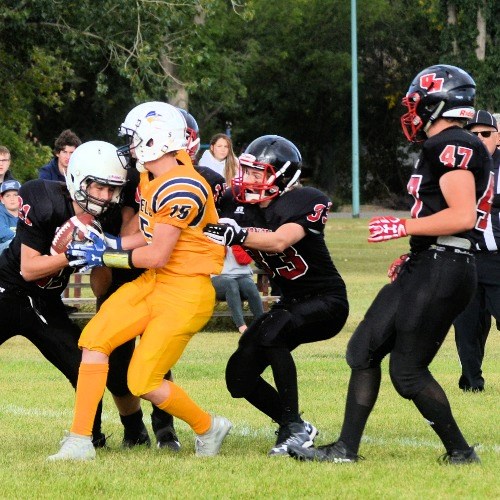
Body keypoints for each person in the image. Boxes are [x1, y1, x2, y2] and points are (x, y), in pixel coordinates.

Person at [288, 64, 492, 465]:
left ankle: (461, 452)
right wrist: (417, 246)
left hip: (445, 265)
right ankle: (345, 449)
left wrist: (403, 226)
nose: (412, 111)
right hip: (431, 261)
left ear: (437, 102)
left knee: (407, 372)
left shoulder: (451, 144)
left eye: (417, 102)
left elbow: (463, 216)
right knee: (363, 349)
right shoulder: (447, 144)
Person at [48, 103, 232, 461]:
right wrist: (110, 243)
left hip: (185, 292)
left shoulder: (183, 186)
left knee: (142, 380)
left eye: (133, 138)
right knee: (95, 339)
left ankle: (208, 426)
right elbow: (148, 237)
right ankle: (79, 441)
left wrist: (103, 256)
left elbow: (157, 254)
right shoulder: (152, 176)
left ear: (154, 140)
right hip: (157, 282)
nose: (128, 146)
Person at [203, 135, 349, 456]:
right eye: (246, 171)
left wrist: (240, 233)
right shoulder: (237, 202)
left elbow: (281, 241)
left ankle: (294, 429)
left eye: (258, 173)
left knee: (273, 333)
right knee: (238, 378)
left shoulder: (305, 200)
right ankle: (293, 422)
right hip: (291, 302)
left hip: (326, 300)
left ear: (281, 178)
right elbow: (207, 189)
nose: (248, 179)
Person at [0, 140, 128, 449]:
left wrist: (101, 256)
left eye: (111, 189)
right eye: (98, 187)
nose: (105, 196)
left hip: (46, 301)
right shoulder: (42, 198)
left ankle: (91, 437)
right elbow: (29, 269)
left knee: (83, 365)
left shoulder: (107, 216)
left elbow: (100, 288)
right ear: (78, 179)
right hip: (9, 290)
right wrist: (73, 254)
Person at [453, 110, 499, 392]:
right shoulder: (456, 168)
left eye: (485, 133)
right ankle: (471, 382)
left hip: (497, 258)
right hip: (466, 257)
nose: (479, 139)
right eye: (473, 134)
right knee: (468, 324)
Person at [211, 245, 264, 333]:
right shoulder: (213, 236)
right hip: (218, 277)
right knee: (231, 284)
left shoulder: (243, 237)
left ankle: (261, 323)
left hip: (242, 276)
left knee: (250, 286)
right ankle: (241, 325)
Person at [0, 179, 21, 253]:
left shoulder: (27, 212)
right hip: (3, 248)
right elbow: (3, 233)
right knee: (12, 244)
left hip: (21, 247)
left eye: (15, 195)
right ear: (2, 199)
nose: (12, 199)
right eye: (7, 196)